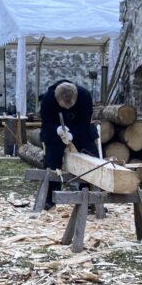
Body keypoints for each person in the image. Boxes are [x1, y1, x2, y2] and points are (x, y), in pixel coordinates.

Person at [38, 80, 98, 209]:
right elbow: (46, 121)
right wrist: (56, 130)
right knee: (52, 161)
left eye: (70, 105)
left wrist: (73, 135)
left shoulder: (85, 96)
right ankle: (51, 197)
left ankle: (89, 196)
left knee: (91, 157)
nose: (67, 108)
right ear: (56, 97)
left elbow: (85, 121)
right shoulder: (48, 98)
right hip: (55, 130)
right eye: (64, 106)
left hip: (79, 127)